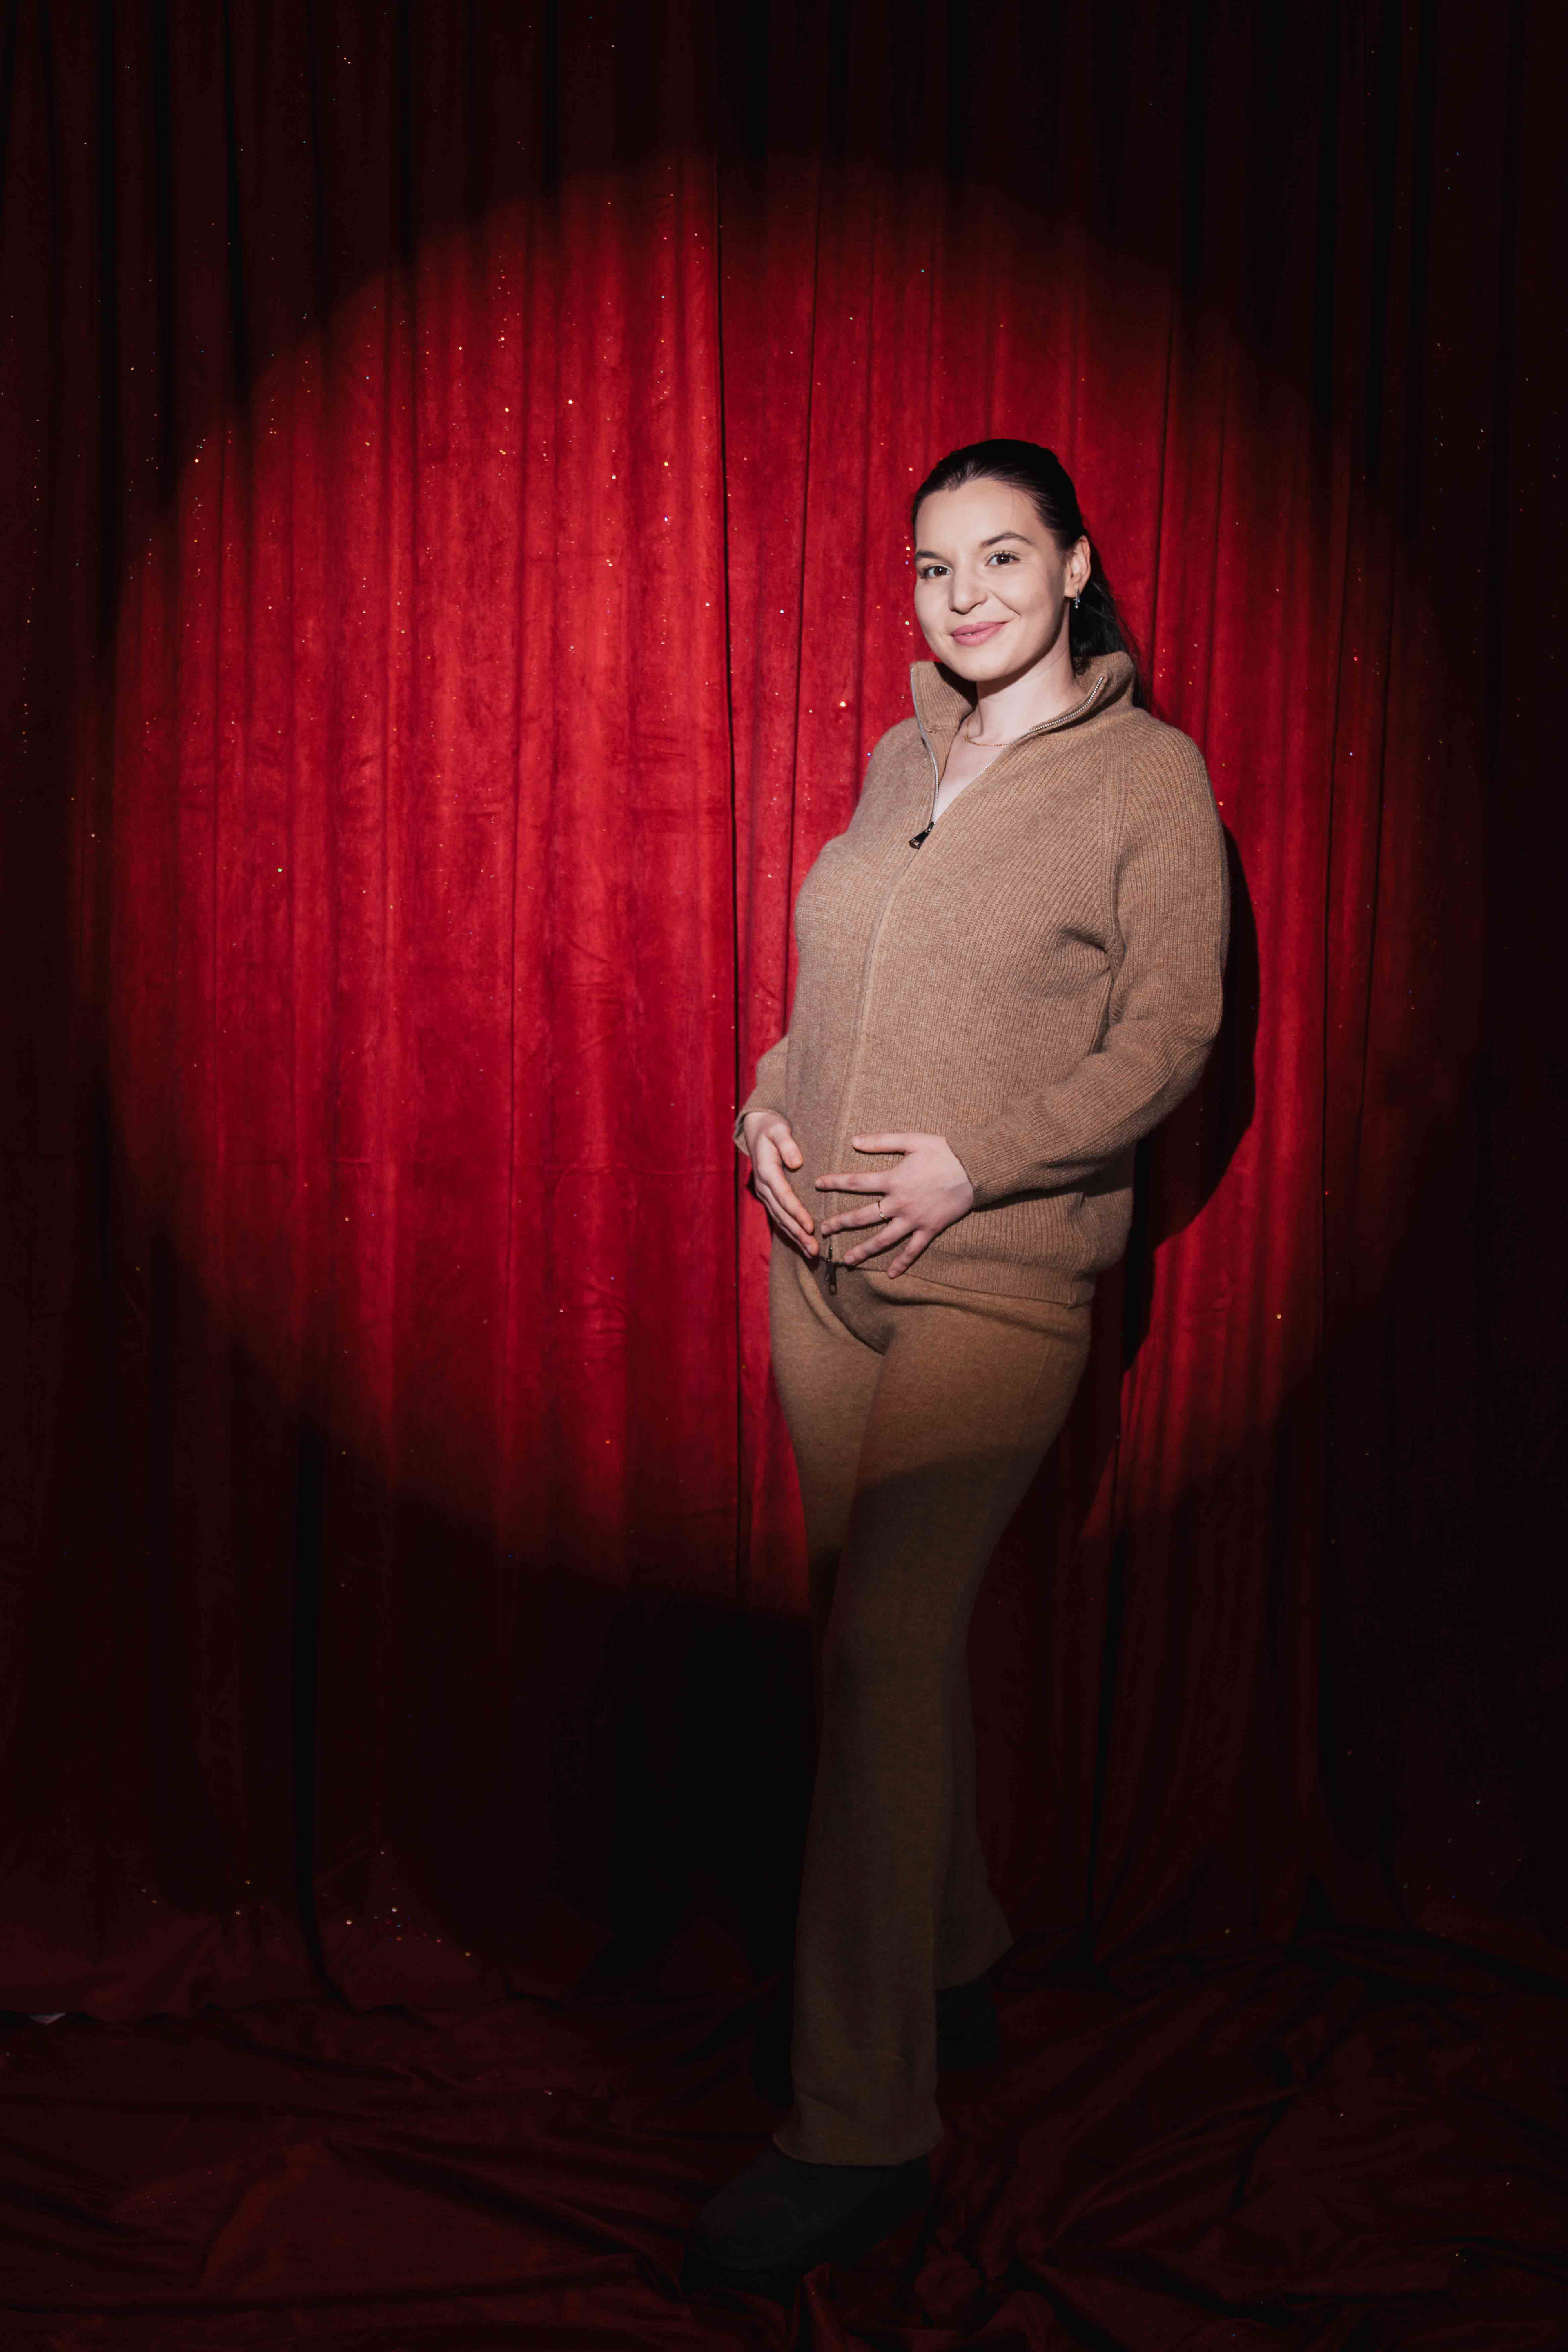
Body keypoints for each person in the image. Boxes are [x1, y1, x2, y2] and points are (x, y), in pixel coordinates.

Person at [682, 438, 1231, 2303]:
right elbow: (828, 988)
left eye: (1002, 556)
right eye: (934, 567)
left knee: (883, 1652)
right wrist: (765, 1112)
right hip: (819, 1276)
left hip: (991, 1287)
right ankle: (952, 1954)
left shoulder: (1149, 778)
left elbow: (1173, 1030)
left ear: (1074, 567)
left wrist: (979, 1164)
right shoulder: (898, 759)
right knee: (869, 1647)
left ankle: (860, 2130)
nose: (965, 594)